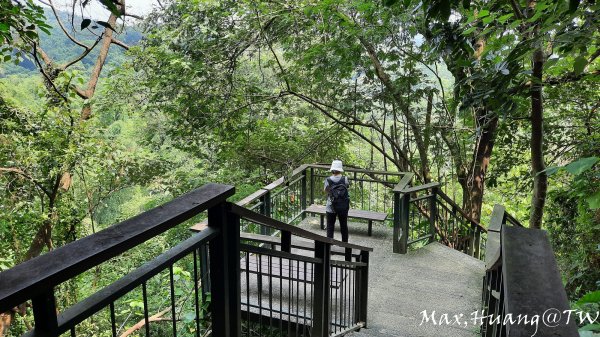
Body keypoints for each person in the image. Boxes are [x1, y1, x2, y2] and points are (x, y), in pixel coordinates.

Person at [324, 160, 350, 242]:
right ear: (340, 169)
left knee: (330, 226)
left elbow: (326, 190)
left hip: (331, 206)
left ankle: (329, 245)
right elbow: (347, 187)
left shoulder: (328, 180)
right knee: (343, 226)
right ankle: (345, 245)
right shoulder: (345, 179)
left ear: (332, 169)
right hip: (343, 206)